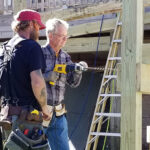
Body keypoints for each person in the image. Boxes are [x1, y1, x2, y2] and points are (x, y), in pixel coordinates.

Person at [0, 9, 51, 149]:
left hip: (6, 117)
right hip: (26, 119)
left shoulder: (3, 49)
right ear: (30, 24)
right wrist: (45, 108)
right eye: (37, 26)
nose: (39, 31)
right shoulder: (32, 46)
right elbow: (37, 81)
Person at [42, 18, 88, 150]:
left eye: (66, 36)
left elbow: (73, 83)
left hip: (58, 115)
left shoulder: (65, 57)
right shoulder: (38, 53)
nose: (65, 40)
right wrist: (45, 76)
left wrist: (78, 70)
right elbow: (27, 79)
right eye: (62, 36)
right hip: (40, 113)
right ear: (50, 35)